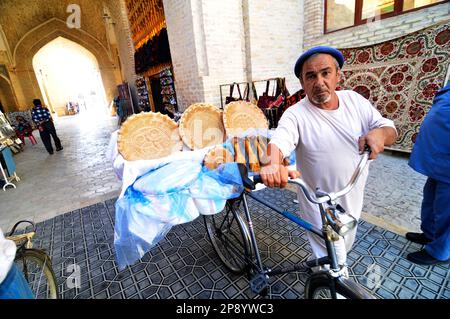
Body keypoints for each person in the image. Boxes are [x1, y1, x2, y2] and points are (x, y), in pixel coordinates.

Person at [260, 46, 398, 266]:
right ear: (303, 83)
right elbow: (279, 141)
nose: (319, 82)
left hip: (351, 193)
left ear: (337, 75)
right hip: (318, 200)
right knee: (335, 254)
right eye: (311, 76)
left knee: (345, 242)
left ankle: (321, 265)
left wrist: (380, 133)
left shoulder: (354, 101)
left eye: (326, 73)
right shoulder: (295, 114)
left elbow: (388, 128)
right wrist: (272, 164)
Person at [406, 83, 450, 265]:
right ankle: (430, 234)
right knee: (431, 198)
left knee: (447, 208)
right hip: (440, 159)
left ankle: (440, 252)